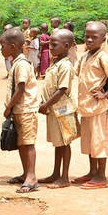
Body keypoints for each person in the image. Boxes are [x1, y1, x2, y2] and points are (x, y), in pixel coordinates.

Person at [73, 22, 108, 189]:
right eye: (87, 36)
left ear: (103, 39)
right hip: (86, 107)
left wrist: (106, 93)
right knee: (89, 142)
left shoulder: (103, 57)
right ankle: (92, 171)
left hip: (98, 107)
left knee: (99, 142)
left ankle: (101, 176)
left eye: (94, 37)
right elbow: (77, 72)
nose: (89, 39)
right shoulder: (86, 55)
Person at [37, 29, 79, 189]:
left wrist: (46, 104)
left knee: (64, 142)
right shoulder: (56, 63)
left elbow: (62, 89)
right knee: (58, 143)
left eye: (54, 45)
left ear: (66, 46)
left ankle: (64, 177)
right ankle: (56, 173)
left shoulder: (66, 66)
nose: (51, 48)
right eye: (50, 44)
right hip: (54, 110)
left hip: (63, 110)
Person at [1, 28, 41, 193]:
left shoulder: (22, 64)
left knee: (28, 143)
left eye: (2, 46)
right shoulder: (16, 63)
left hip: (25, 109)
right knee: (21, 143)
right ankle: (26, 173)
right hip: (19, 110)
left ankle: (31, 177)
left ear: (12, 46)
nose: (1, 50)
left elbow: (21, 88)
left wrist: (9, 106)